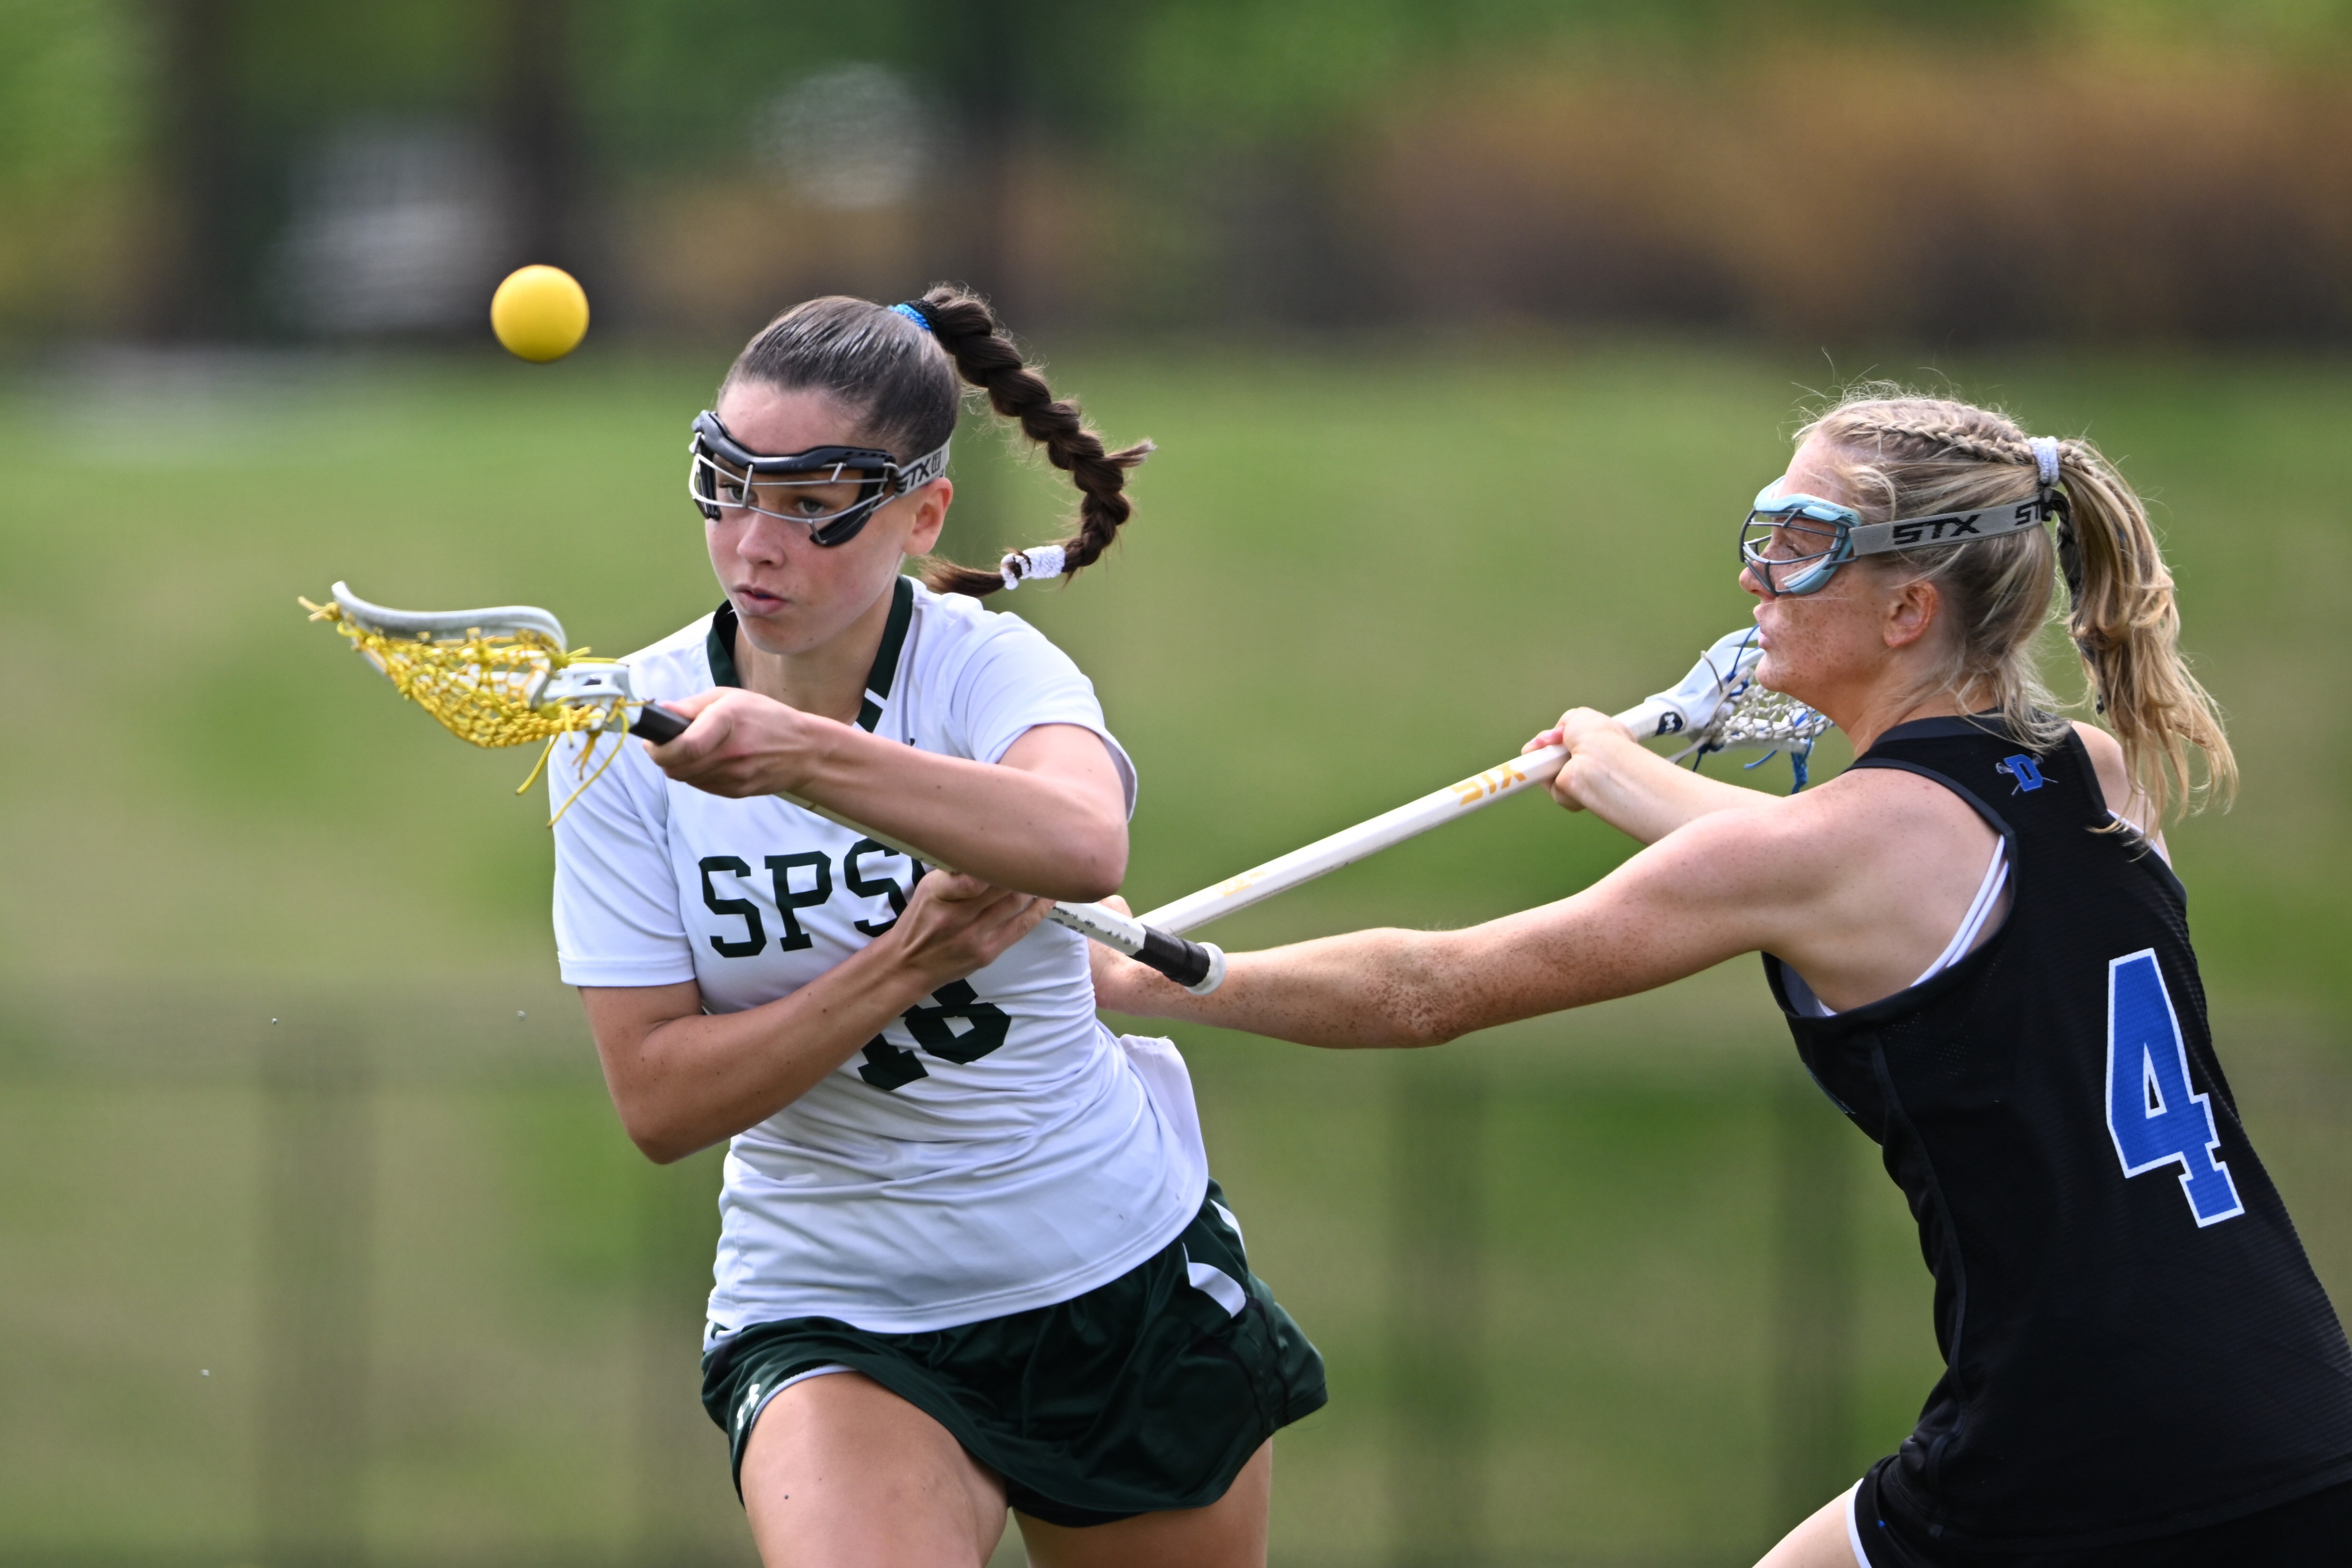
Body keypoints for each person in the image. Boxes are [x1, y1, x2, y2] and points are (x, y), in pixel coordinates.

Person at [1089, 391, 2352, 1567]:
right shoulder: (2096, 775)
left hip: (2080, 1441)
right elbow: (1847, 863)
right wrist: (1621, 775)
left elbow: (1434, 988)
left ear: (1907, 611)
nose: (1757, 576)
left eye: (1804, 545)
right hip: (2299, 1409)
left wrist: (1139, 974)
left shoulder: (1819, 855)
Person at [549, 288, 1325, 1568]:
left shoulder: (987, 671)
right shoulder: (631, 736)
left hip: (1111, 1273)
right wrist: (910, 959)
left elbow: (1084, 843)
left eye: (813, 504)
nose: (755, 544)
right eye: (727, 489)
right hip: (833, 1303)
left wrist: (804, 754)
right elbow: (662, 1102)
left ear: (923, 516)